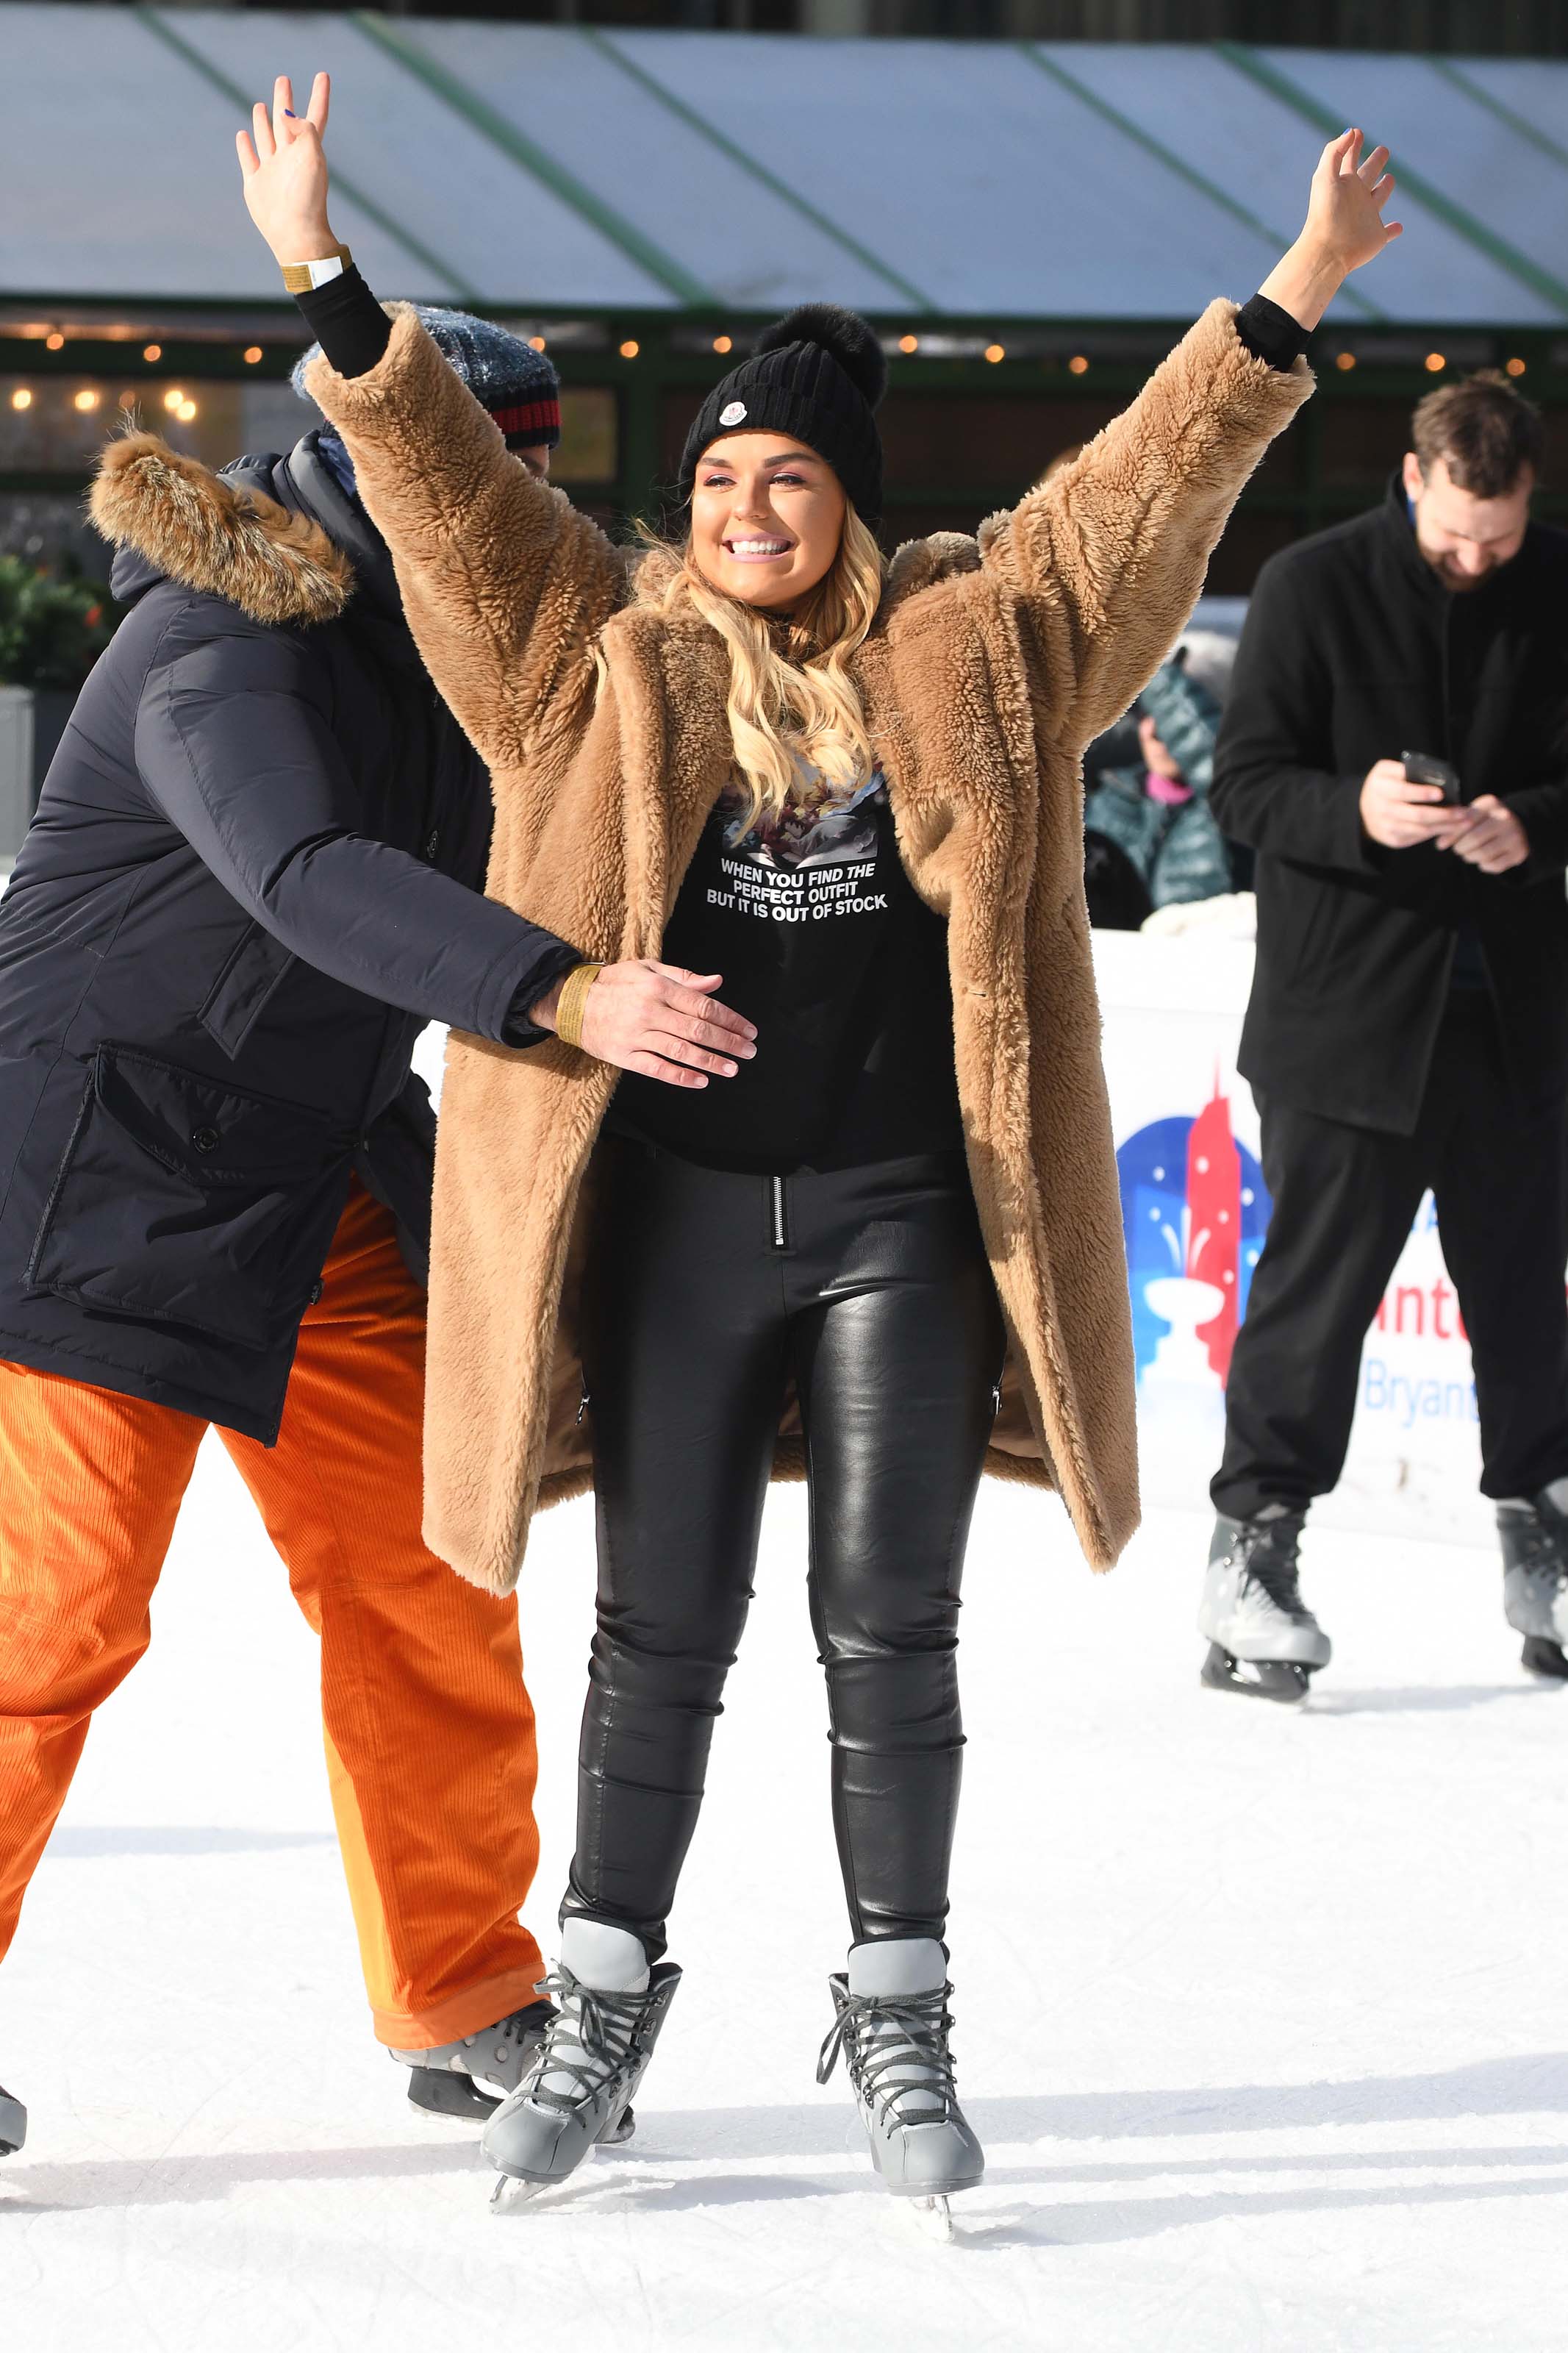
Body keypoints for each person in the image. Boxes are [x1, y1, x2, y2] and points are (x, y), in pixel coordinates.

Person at [238, 71, 1397, 2211]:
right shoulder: (589, 654)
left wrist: (1295, 286)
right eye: (719, 475)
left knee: (889, 1632)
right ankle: (591, 2005)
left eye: (787, 477)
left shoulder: (985, 642)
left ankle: (898, 2010)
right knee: (656, 1632)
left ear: (849, 506)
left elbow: (1138, 496)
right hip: (677, 1217)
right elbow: (447, 506)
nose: (747, 504)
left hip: (891, 1225)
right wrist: (328, 275)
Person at [0, 300, 713, 2154]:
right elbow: (303, 874)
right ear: (368, 472)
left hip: (317, 1167)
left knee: (430, 1568)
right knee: (50, 1621)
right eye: (483, 474)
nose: (518, 510)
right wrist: (555, 992)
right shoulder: (215, 643)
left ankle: (464, 1982)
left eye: (537, 475)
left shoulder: (469, 660)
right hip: (96, 1177)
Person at [1200, 368, 1568, 1702]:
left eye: (1502, 536)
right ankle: (1253, 1549)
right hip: (1345, 1014)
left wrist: (1531, 820)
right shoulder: (1309, 584)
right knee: (1314, 1299)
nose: (1475, 560)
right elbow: (1244, 787)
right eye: (1455, 532)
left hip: (1516, 1016)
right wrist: (1352, 806)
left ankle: (1545, 1539)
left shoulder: (1556, 584)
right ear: (1412, 479)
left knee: (1526, 1297)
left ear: (1530, 498)